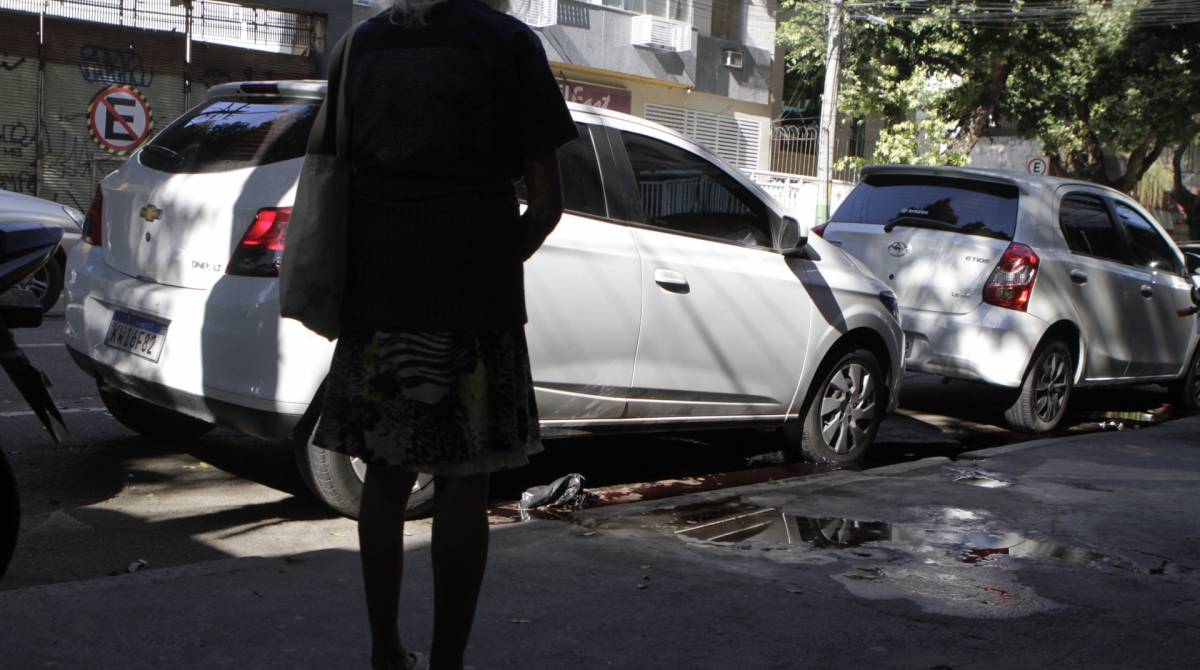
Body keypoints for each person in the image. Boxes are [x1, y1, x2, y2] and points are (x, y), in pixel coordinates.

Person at [306, 1, 577, 668]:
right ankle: (448, 661)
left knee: (387, 472)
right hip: (473, 294)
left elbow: (331, 161)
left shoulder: (361, 46)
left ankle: (385, 650)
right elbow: (546, 204)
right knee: (465, 478)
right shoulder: (507, 41)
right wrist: (484, 261)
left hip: (379, 287)